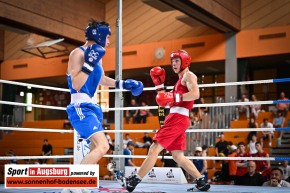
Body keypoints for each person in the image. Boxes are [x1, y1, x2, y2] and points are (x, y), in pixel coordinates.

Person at [118, 50, 210, 192]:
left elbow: (195, 94)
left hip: (177, 118)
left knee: (154, 149)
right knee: (178, 156)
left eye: (177, 60)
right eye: (172, 61)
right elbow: (164, 102)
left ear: (185, 61)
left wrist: (175, 98)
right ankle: (201, 181)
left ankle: (134, 181)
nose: (174, 63)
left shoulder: (189, 75)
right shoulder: (179, 82)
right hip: (177, 117)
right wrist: (159, 86)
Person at [66, 19, 143, 167]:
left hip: (92, 107)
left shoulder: (97, 58)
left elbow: (101, 79)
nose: (108, 42)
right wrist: (88, 64)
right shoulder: (77, 53)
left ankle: (81, 186)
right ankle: (73, 185)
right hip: (80, 106)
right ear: (100, 36)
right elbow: (76, 84)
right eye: (107, 37)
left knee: (94, 148)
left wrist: (122, 84)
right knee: (104, 146)